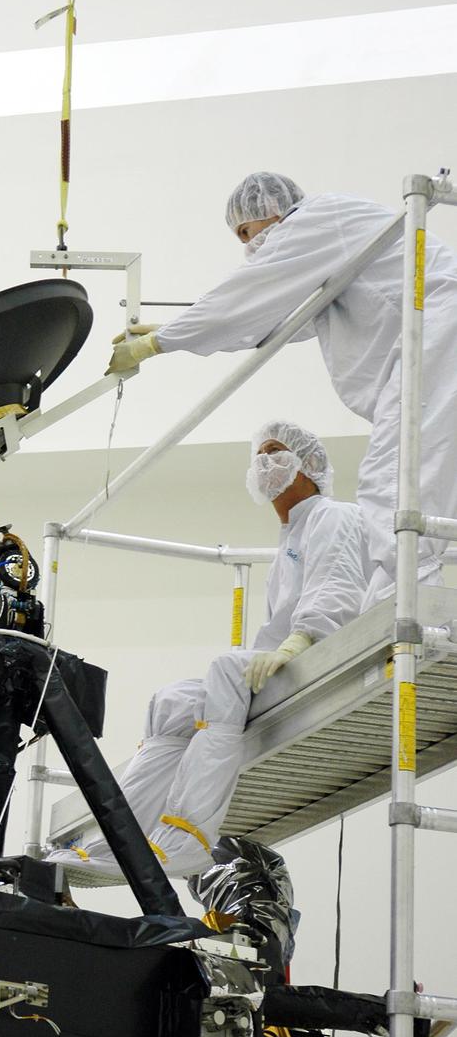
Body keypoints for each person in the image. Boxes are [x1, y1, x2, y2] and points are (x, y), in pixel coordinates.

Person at [108, 172, 457, 602]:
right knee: (422, 488)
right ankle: (399, 606)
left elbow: (246, 296)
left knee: (392, 483)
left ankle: (408, 616)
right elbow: (275, 323)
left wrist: (160, 343)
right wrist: (174, 329)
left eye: (245, 231)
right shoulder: (331, 246)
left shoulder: (316, 220)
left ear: (269, 211)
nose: (246, 244)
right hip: (435, 348)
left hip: (438, 342)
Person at [47, 421, 370, 885]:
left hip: (320, 650)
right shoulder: (290, 539)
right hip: (285, 655)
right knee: (170, 701)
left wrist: (301, 639)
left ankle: (185, 839)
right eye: (258, 454)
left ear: (310, 465)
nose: (263, 463)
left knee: (226, 669)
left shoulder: (332, 515)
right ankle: (122, 838)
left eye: (276, 452)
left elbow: (337, 585)